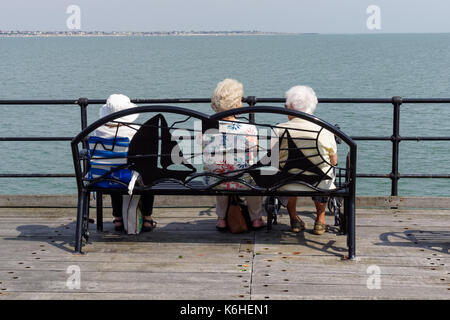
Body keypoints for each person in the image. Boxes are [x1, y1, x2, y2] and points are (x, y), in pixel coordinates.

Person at [203, 79, 265, 230]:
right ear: (237, 105)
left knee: (219, 169)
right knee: (253, 176)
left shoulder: (207, 128)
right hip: (243, 180)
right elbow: (254, 153)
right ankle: (256, 218)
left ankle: (221, 219)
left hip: (215, 180)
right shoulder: (248, 129)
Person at [275, 86, 337, 235]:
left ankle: (294, 219)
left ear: (291, 107)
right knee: (324, 170)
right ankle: (320, 220)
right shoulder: (325, 130)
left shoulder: (278, 129)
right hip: (319, 183)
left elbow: (270, 159)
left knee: (286, 172)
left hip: (287, 183)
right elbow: (333, 161)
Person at [94, 94, 156, 232]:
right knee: (147, 176)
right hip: (127, 178)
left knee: (112, 172)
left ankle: (118, 219)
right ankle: (147, 218)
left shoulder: (97, 131)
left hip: (103, 177)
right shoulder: (134, 131)